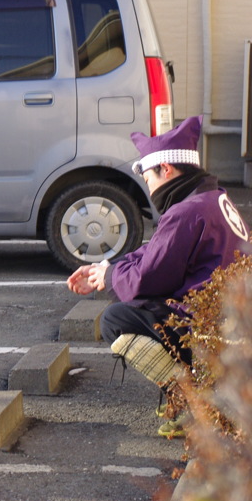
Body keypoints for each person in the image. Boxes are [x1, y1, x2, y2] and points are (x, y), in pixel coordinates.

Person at [67, 115, 250, 436]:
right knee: (136, 304)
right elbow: (156, 255)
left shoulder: (185, 212)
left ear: (166, 169)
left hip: (211, 331)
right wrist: (108, 268)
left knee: (117, 318)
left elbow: (149, 279)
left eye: (147, 175)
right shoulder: (213, 198)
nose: (147, 185)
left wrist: (111, 277)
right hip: (233, 323)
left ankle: (192, 401)